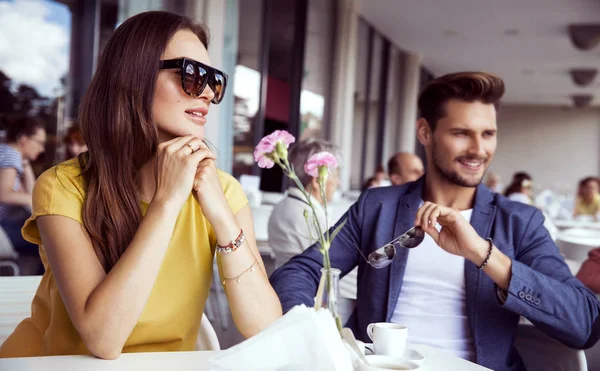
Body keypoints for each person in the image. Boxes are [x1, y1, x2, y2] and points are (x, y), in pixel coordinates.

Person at [270, 71, 600, 370]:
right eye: (462, 133)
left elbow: (585, 323)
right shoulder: (379, 206)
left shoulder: (520, 222)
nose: (479, 149)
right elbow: (300, 270)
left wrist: (484, 255)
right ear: (425, 132)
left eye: (488, 134)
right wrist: (315, 339)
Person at [0, 11, 281, 359]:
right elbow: (103, 339)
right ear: (135, 79)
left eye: (214, 80)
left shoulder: (220, 191)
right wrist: (167, 202)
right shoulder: (63, 187)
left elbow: (265, 326)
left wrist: (223, 218)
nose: (208, 92)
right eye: (192, 75)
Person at [268, 139, 340, 268]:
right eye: (335, 176)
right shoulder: (315, 219)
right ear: (317, 181)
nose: (337, 182)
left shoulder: (280, 207)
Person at [0, 116, 46, 274]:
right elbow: (4, 194)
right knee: (51, 244)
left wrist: (25, 164)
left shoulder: (7, 152)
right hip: (1, 231)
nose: (42, 149)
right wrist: (40, 202)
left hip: (3, 228)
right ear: (23, 139)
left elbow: (29, 191)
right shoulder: (11, 154)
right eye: (39, 142)